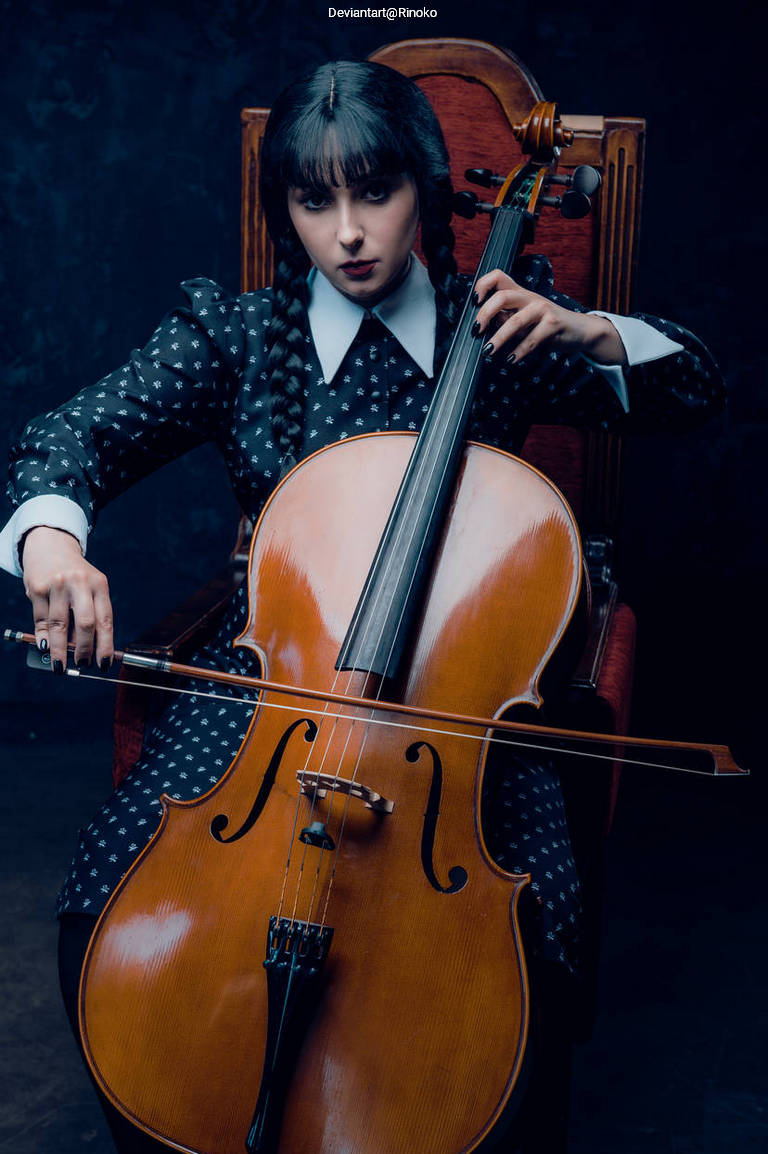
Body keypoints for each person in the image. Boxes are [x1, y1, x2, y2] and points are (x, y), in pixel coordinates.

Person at [1, 59, 723, 1153]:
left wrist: (593, 334)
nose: (347, 232)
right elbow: (69, 436)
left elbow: (697, 387)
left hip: (458, 714)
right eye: (313, 200)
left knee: (529, 940)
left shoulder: (505, 326)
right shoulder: (241, 339)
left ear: (429, 191)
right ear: (282, 206)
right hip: (270, 700)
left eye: (374, 192)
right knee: (106, 894)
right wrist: (53, 539)